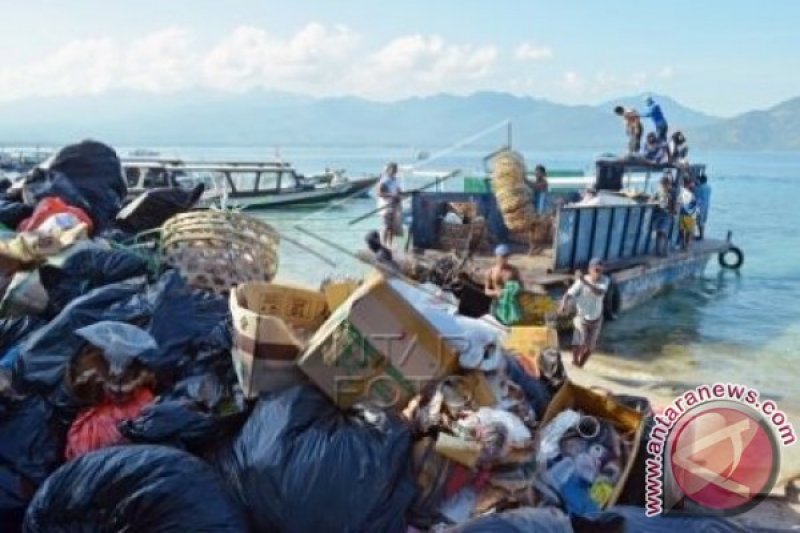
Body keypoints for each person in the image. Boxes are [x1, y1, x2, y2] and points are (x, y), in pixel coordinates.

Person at [558, 258, 609, 367]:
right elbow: (568, 294)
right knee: (579, 342)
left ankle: (580, 366)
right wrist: (563, 304)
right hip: (581, 317)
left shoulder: (605, 280)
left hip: (596, 319)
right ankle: (575, 361)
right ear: (590, 270)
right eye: (596, 270)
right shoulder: (581, 282)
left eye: (600, 270)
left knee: (590, 348)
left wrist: (584, 281)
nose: (599, 273)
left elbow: (599, 292)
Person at [376, 162, 403, 248]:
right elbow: (379, 193)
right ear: (389, 170)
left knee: (392, 227)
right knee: (386, 226)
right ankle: (383, 245)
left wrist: (401, 195)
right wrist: (392, 195)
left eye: (396, 169)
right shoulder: (384, 180)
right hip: (385, 206)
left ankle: (389, 245)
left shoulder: (395, 180)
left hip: (393, 206)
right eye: (393, 169)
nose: (395, 171)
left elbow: (398, 191)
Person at [652, 175, 675, 256]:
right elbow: (652, 199)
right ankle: (658, 251)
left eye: (663, 183)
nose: (663, 185)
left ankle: (664, 251)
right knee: (659, 232)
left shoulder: (671, 192)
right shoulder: (659, 191)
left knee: (663, 233)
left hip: (666, 214)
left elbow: (673, 204)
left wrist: (672, 212)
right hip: (660, 213)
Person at [677, 178, 697, 250]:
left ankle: (684, 244)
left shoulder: (683, 192)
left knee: (683, 230)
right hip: (690, 214)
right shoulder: (690, 193)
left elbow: (679, 202)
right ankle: (686, 245)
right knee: (687, 231)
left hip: (685, 213)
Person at [694, 173, 711, 240]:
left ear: (701, 180)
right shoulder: (709, 187)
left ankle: (701, 236)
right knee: (703, 221)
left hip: (700, 206)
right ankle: (702, 235)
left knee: (699, 222)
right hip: (706, 205)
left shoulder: (699, 188)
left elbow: (695, 195)